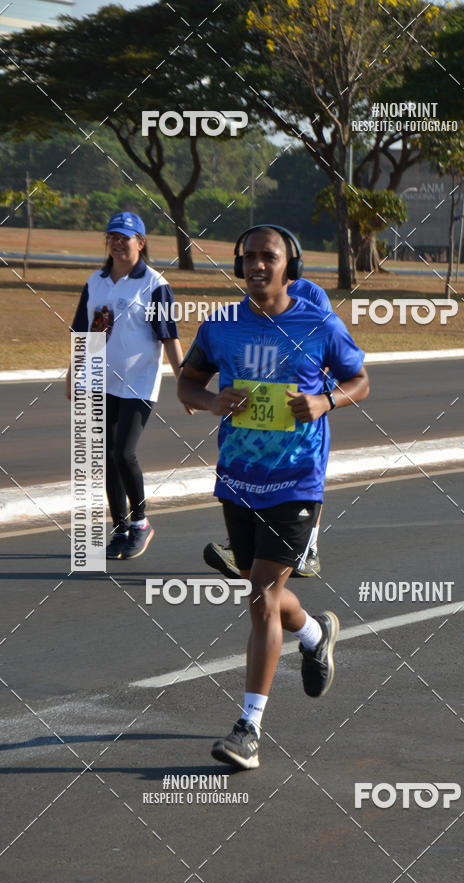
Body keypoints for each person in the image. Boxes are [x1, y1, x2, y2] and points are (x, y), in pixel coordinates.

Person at [177, 224, 369, 769]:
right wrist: (213, 401)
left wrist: (326, 401)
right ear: (239, 266)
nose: (258, 265)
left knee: (260, 591)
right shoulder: (220, 326)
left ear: (290, 265)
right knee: (259, 587)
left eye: (269, 256)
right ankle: (314, 632)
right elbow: (186, 385)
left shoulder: (318, 322)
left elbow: (360, 381)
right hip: (238, 476)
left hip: (297, 478)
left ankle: (248, 729)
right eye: (250, 258)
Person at [66, 211, 185, 560]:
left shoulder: (154, 284)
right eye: (112, 237)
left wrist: (184, 382)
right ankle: (120, 528)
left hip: (138, 384)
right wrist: (74, 376)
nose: (118, 243)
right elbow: (82, 333)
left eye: (125, 237)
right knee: (105, 457)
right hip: (98, 380)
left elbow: (169, 338)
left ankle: (141, 523)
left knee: (124, 452)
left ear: (141, 243)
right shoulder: (96, 281)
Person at [202, 275, 333, 580]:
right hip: (253, 409)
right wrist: (210, 396)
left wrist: (320, 397)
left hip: (296, 409)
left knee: (303, 474)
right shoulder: (254, 294)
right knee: (251, 469)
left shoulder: (310, 293)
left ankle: (308, 548)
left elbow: (325, 347)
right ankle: (244, 547)